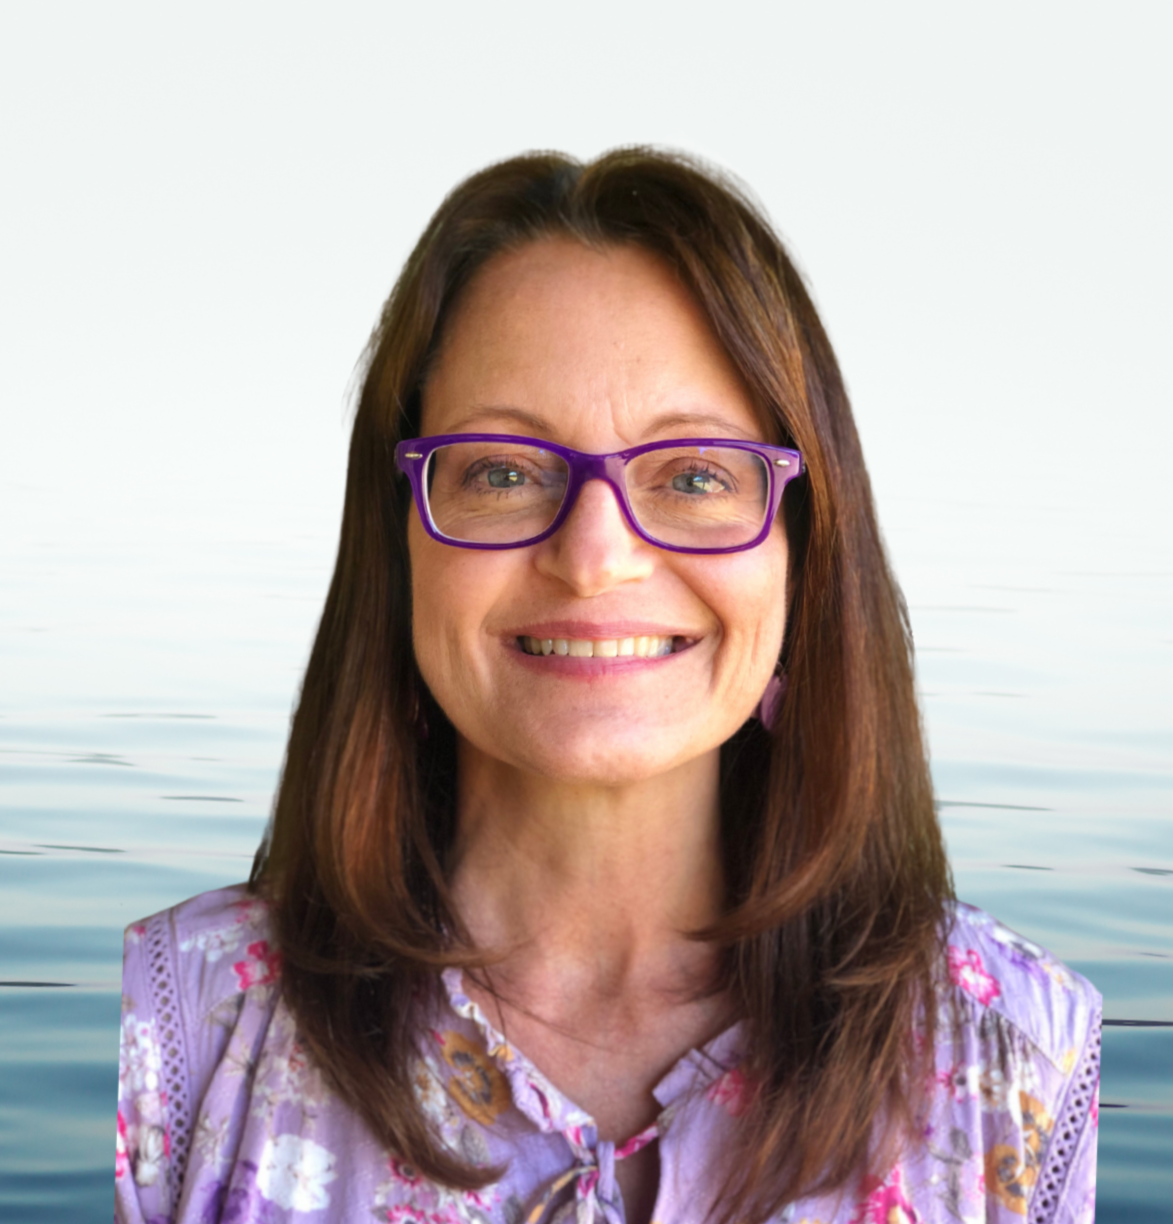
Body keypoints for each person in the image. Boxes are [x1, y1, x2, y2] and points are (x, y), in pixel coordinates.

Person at [115, 149, 1100, 1224]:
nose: (594, 559)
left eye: (693, 476)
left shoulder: (1025, 1060)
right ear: (398, 545)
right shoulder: (171, 1026)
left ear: (805, 557)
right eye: (500, 469)